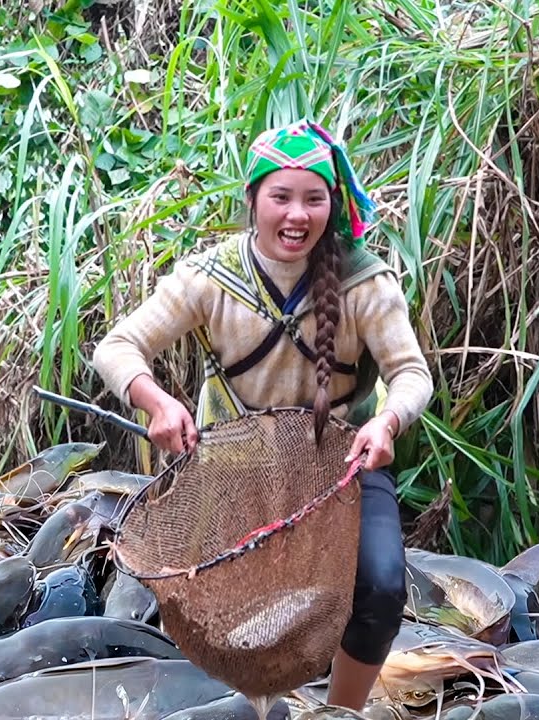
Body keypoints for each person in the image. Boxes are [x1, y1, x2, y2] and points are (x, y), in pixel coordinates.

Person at [91, 119, 435, 710]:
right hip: (234, 461)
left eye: (313, 198)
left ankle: (339, 709)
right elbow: (116, 348)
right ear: (252, 200)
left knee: (379, 589)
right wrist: (157, 400)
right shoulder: (209, 277)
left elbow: (412, 374)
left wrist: (388, 422)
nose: (296, 215)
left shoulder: (364, 282)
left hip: (343, 466)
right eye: (280, 196)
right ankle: (245, 703)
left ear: (333, 203)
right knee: (211, 605)